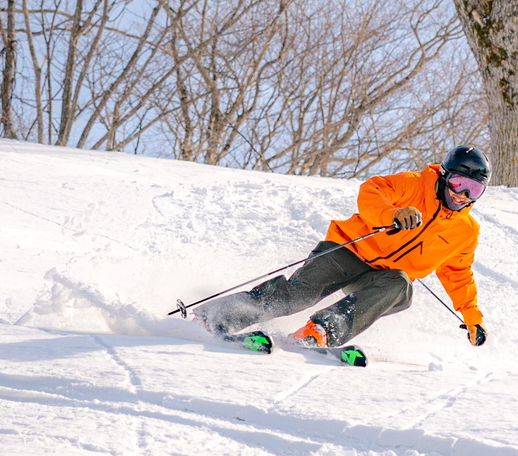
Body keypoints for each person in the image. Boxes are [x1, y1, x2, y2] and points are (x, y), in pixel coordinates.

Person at [196, 145, 491, 348]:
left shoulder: (465, 231)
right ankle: (222, 314)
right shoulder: (414, 185)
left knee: (401, 285)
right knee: (300, 294)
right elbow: (372, 191)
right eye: (458, 184)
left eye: (474, 190)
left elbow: (458, 274)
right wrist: (392, 214)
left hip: (380, 278)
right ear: (444, 176)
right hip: (348, 251)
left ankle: (321, 331)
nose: (463, 195)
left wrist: (472, 317)